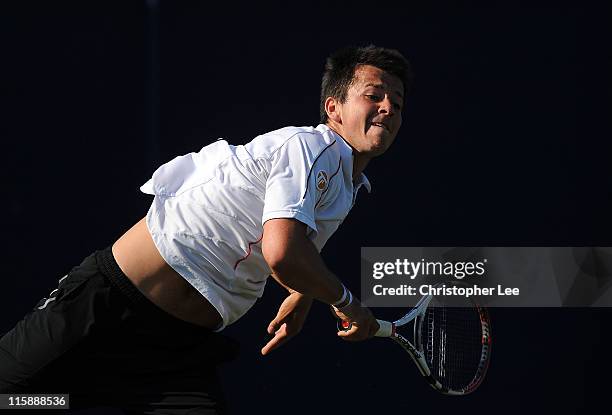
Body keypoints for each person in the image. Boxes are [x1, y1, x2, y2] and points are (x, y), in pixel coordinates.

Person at [0, 44, 412, 414]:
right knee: (14, 400)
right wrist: (344, 301)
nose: (388, 109)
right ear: (333, 108)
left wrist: (303, 293)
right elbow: (283, 253)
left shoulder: (348, 185)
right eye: (373, 96)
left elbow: (297, 246)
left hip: (174, 356)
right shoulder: (310, 148)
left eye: (397, 102)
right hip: (106, 307)